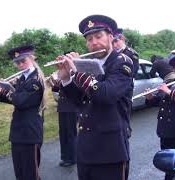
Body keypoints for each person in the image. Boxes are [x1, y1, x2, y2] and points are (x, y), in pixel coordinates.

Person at [56, 15, 134, 180]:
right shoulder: (90, 64)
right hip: (86, 148)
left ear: (111, 37)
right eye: (89, 39)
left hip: (111, 150)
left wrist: (77, 71)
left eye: (99, 36)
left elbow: (106, 94)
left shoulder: (122, 62)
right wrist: (65, 78)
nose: (94, 42)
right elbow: (80, 100)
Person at [0, 44, 45, 180]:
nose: (20, 65)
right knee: (20, 172)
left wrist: (4, 90)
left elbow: (20, 101)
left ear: (32, 59)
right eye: (17, 62)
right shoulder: (22, 79)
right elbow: (14, 100)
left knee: (30, 174)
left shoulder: (36, 80)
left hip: (30, 133)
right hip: (18, 131)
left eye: (23, 61)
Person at [47, 71, 78, 167]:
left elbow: (72, 90)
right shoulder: (64, 74)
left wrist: (58, 79)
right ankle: (65, 156)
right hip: (63, 107)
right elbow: (58, 89)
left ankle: (73, 158)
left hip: (71, 108)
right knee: (63, 133)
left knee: (70, 133)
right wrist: (53, 83)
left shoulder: (74, 74)